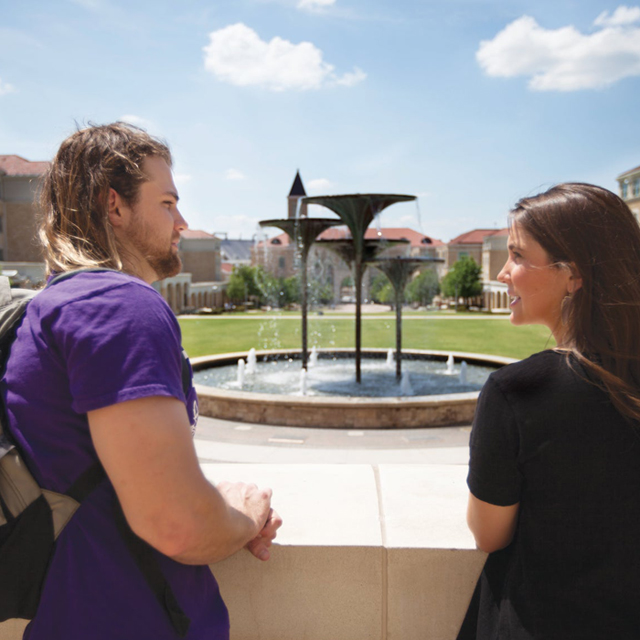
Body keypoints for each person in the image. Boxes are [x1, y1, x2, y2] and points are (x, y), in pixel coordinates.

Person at [2, 122, 281, 639]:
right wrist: (244, 515)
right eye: (168, 203)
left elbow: (116, 477)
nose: (182, 222)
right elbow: (175, 524)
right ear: (115, 206)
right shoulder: (119, 307)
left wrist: (202, 500)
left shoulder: (57, 303)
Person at [460, 183, 640, 639]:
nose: (504, 273)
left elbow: (489, 535)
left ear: (573, 275)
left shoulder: (517, 392)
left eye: (518, 256)